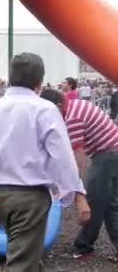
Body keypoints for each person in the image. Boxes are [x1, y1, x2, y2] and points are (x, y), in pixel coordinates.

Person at [0, 53, 90, 271]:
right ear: (39, 82)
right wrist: (77, 195)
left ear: (10, 78)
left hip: (0, 195)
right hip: (31, 197)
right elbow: (63, 157)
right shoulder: (45, 110)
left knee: (23, 251)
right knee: (22, 261)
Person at [40, 89, 118, 261]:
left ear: (59, 105)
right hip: (113, 150)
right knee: (110, 204)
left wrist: (77, 187)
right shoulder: (74, 106)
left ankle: (84, 246)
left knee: (94, 203)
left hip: (107, 154)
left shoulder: (72, 118)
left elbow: (78, 157)